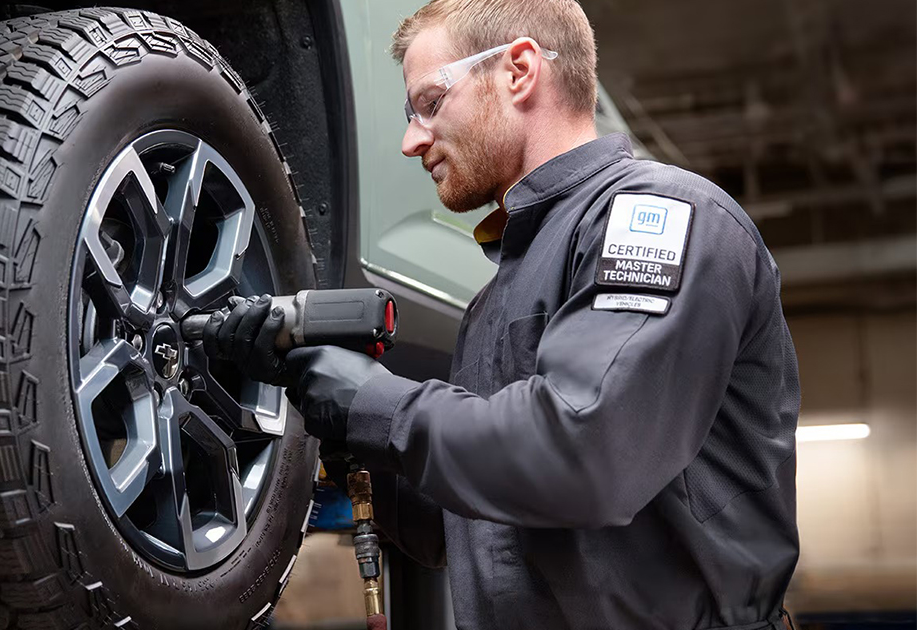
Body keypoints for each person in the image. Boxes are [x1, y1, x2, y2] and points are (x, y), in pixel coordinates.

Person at [204, 1, 801, 628]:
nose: (411, 141)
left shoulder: (661, 218)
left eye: (430, 103)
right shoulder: (493, 303)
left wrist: (376, 404)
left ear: (518, 71)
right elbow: (465, 527)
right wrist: (313, 407)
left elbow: (587, 454)